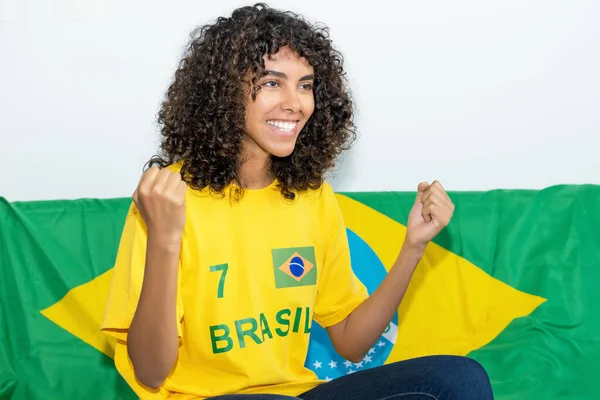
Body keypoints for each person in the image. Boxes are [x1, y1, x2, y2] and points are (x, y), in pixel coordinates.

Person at [101, 3, 494, 399]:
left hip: (294, 394)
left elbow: (350, 342)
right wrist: (166, 239)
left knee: (459, 379)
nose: (296, 103)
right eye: (273, 83)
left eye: (305, 85)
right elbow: (151, 372)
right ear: (223, 90)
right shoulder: (166, 196)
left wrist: (414, 246)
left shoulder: (312, 195)